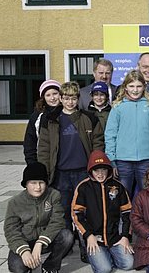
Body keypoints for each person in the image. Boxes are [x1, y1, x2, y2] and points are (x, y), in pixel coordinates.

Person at [37, 81, 105, 230]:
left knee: (84, 208)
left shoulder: (89, 118)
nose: (70, 102)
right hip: (61, 173)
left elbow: (98, 143)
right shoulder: (51, 120)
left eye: (73, 98)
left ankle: (86, 240)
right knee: (63, 210)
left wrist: (95, 167)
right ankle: (67, 239)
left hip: (83, 171)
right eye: (66, 98)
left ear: (78, 99)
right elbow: (44, 148)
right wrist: (44, 171)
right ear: (61, 99)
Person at [105, 70, 149, 201]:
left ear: (144, 86)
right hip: (123, 161)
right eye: (131, 86)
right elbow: (110, 135)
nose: (135, 90)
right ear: (125, 87)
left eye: (138, 86)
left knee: (147, 197)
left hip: (146, 160)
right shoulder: (118, 107)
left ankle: (144, 221)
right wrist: (112, 160)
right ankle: (123, 221)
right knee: (121, 196)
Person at [4, 162, 74, 273]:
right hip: (25, 240)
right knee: (16, 268)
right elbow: (11, 230)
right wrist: (23, 250)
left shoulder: (53, 195)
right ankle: (29, 261)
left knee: (67, 236)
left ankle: (50, 266)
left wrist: (40, 242)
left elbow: (57, 221)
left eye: (41, 183)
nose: (38, 187)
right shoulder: (15, 202)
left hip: (47, 238)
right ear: (26, 184)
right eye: (33, 183)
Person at [72, 150, 134, 273]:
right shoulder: (83, 187)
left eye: (103, 170)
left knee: (129, 264)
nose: (100, 174)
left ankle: (107, 254)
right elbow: (76, 215)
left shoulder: (118, 186)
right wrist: (88, 235)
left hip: (115, 237)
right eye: (96, 170)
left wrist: (125, 236)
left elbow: (127, 213)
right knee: (104, 269)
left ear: (108, 170)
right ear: (90, 171)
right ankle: (92, 251)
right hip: (94, 237)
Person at [24, 79, 61, 165]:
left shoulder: (67, 112)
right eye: (48, 95)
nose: (52, 98)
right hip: (43, 160)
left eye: (55, 93)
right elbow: (30, 142)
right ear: (43, 98)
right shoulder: (37, 116)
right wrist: (32, 163)